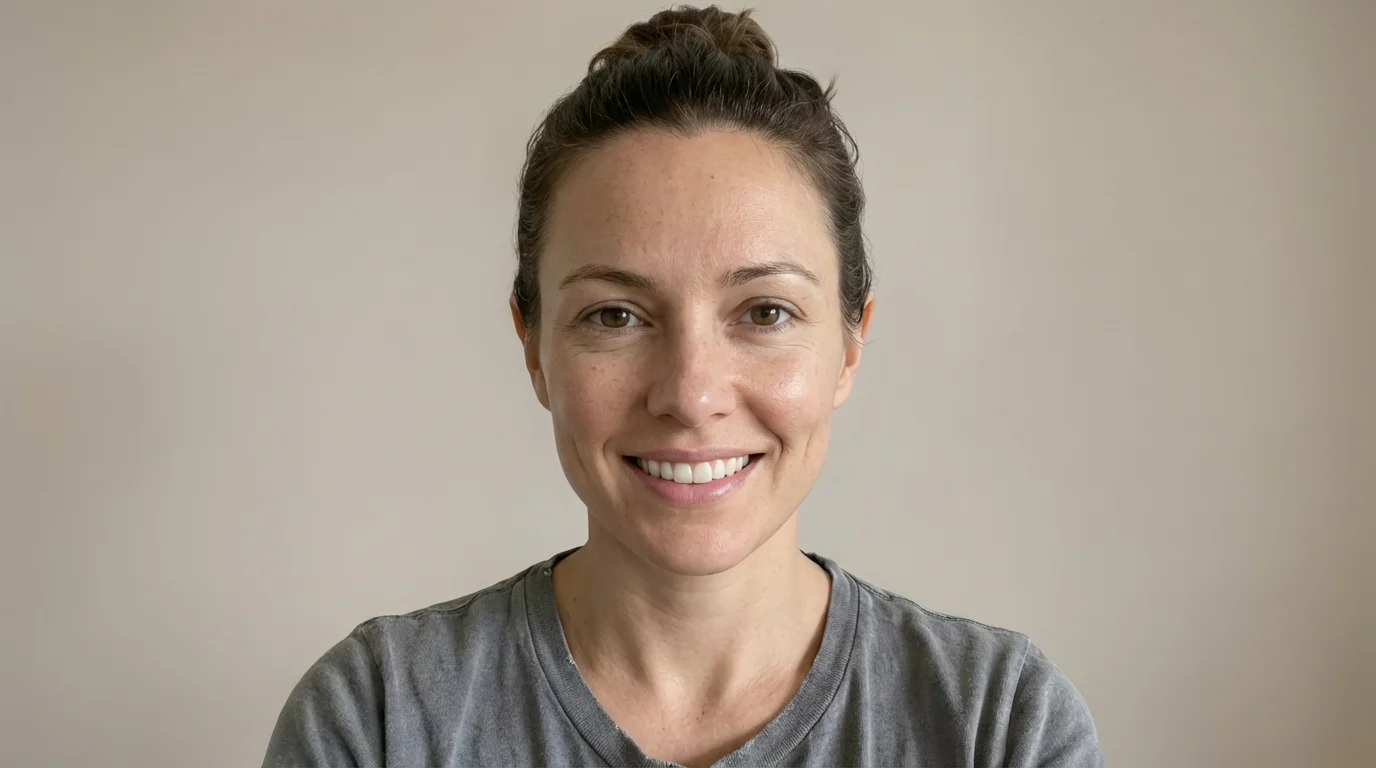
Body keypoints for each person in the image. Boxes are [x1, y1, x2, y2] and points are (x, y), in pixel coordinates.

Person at [263, 6, 1104, 766]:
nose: (691, 393)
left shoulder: (1000, 727)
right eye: (616, 317)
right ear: (533, 348)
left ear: (850, 345)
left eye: (766, 311)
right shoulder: (377, 720)